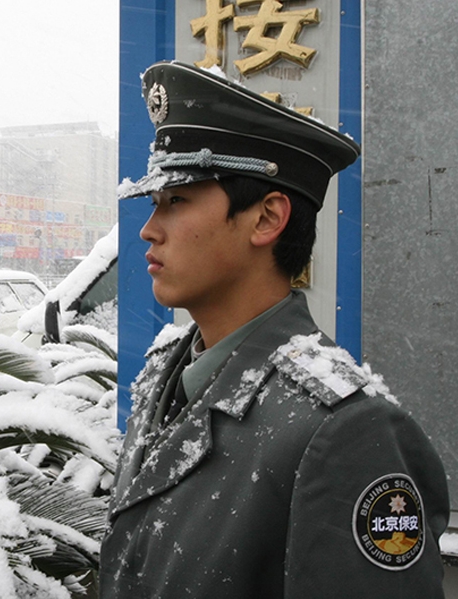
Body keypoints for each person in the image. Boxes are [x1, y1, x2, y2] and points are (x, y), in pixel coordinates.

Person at [100, 60, 450, 598]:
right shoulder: (167, 371)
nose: (150, 229)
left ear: (266, 219)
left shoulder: (343, 432)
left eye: (176, 201)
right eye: (153, 203)